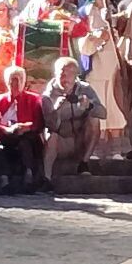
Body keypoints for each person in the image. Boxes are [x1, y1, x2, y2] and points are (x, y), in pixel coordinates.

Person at [73, 0, 128, 150]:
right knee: (98, 108)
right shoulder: (85, 12)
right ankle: (96, 148)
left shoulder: (116, 10)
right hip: (96, 65)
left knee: (115, 110)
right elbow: (79, 38)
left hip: (114, 66)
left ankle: (116, 150)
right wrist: (96, 38)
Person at [40, 56, 104, 186]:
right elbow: (49, 126)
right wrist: (56, 110)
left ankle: (84, 163)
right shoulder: (48, 96)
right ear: (56, 74)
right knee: (51, 136)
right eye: (62, 73)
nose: (65, 78)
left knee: (94, 120)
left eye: (70, 74)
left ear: (76, 76)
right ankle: (46, 177)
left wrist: (90, 106)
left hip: (81, 140)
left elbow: (103, 113)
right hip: (62, 142)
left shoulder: (85, 89)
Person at [0, 65, 45, 194]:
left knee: (26, 142)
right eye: (12, 79)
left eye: (19, 79)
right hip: (5, 138)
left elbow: (39, 122)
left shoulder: (34, 99)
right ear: (7, 82)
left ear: (24, 81)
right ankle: (4, 180)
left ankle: (29, 176)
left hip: (26, 137)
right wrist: (6, 130)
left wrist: (26, 127)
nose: (16, 83)